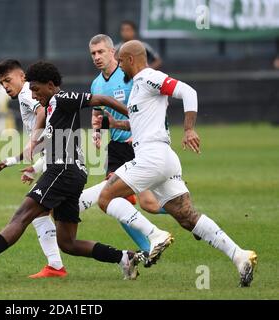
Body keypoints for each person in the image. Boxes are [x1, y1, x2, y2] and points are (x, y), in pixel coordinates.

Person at [0, 61, 171, 280]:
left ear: (51, 85)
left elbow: (101, 98)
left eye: (36, 89)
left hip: (63, 170)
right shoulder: (51, 106)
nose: (33, 95)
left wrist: (134, 117)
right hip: (71, 174)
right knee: (68, 243)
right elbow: (46, 142)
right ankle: (125, 258)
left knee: (22, 216)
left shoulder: (62, 98)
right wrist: (17, 160)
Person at [93, 40, 257, 287]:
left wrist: (189, 129)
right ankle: (239, 255)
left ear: (129, 60)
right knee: (187, 217)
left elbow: (188, 92)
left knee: (106, 198)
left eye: (122, 62)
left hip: (152, 157)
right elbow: (142, 122)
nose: (120, 68)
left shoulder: (149, 77)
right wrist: (114, 125)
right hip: (162, 158)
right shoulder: (138, 86)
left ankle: (154, 235)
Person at [76, 34, 168, 255]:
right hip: (116, 148)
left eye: (101, 52)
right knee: (114, 201)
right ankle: (147, 248)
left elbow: (150, 107)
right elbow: (97, 114)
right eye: (93, 54)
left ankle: (184, 214)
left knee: (149, 205)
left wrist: (138, 130)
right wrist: (96, 132)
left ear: (112, 52)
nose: (97, 57)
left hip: (139, 145)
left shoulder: (130, 76)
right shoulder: (96, 83)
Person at [0, 59, 67, 279]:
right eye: (2, 82)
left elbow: (42, 112)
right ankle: (55, 266)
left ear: (22, 76)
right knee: (42, 214)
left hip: (61, 163)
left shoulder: (26, 93)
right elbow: (44, 136)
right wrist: (19, 161)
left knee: (33, 213)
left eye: (8, 79)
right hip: (53, 157)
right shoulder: (27, 93)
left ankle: (124, 255)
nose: (5, 86)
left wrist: (32, 141)